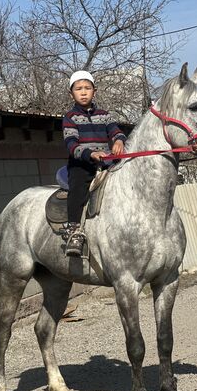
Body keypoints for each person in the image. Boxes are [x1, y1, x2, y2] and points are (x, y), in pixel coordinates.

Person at [62, 70, 127, 257]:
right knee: (77, 188)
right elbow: (71, 144)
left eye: (87, 88)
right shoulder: (70, 118)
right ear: (71, 93)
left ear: (94, 91)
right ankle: (74, 232)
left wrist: (118, 141)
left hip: (106, 162)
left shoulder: (104, 115)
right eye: (78, 89)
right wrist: (91, 154)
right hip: (82, 164)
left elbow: (116, 131)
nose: (83, 92)